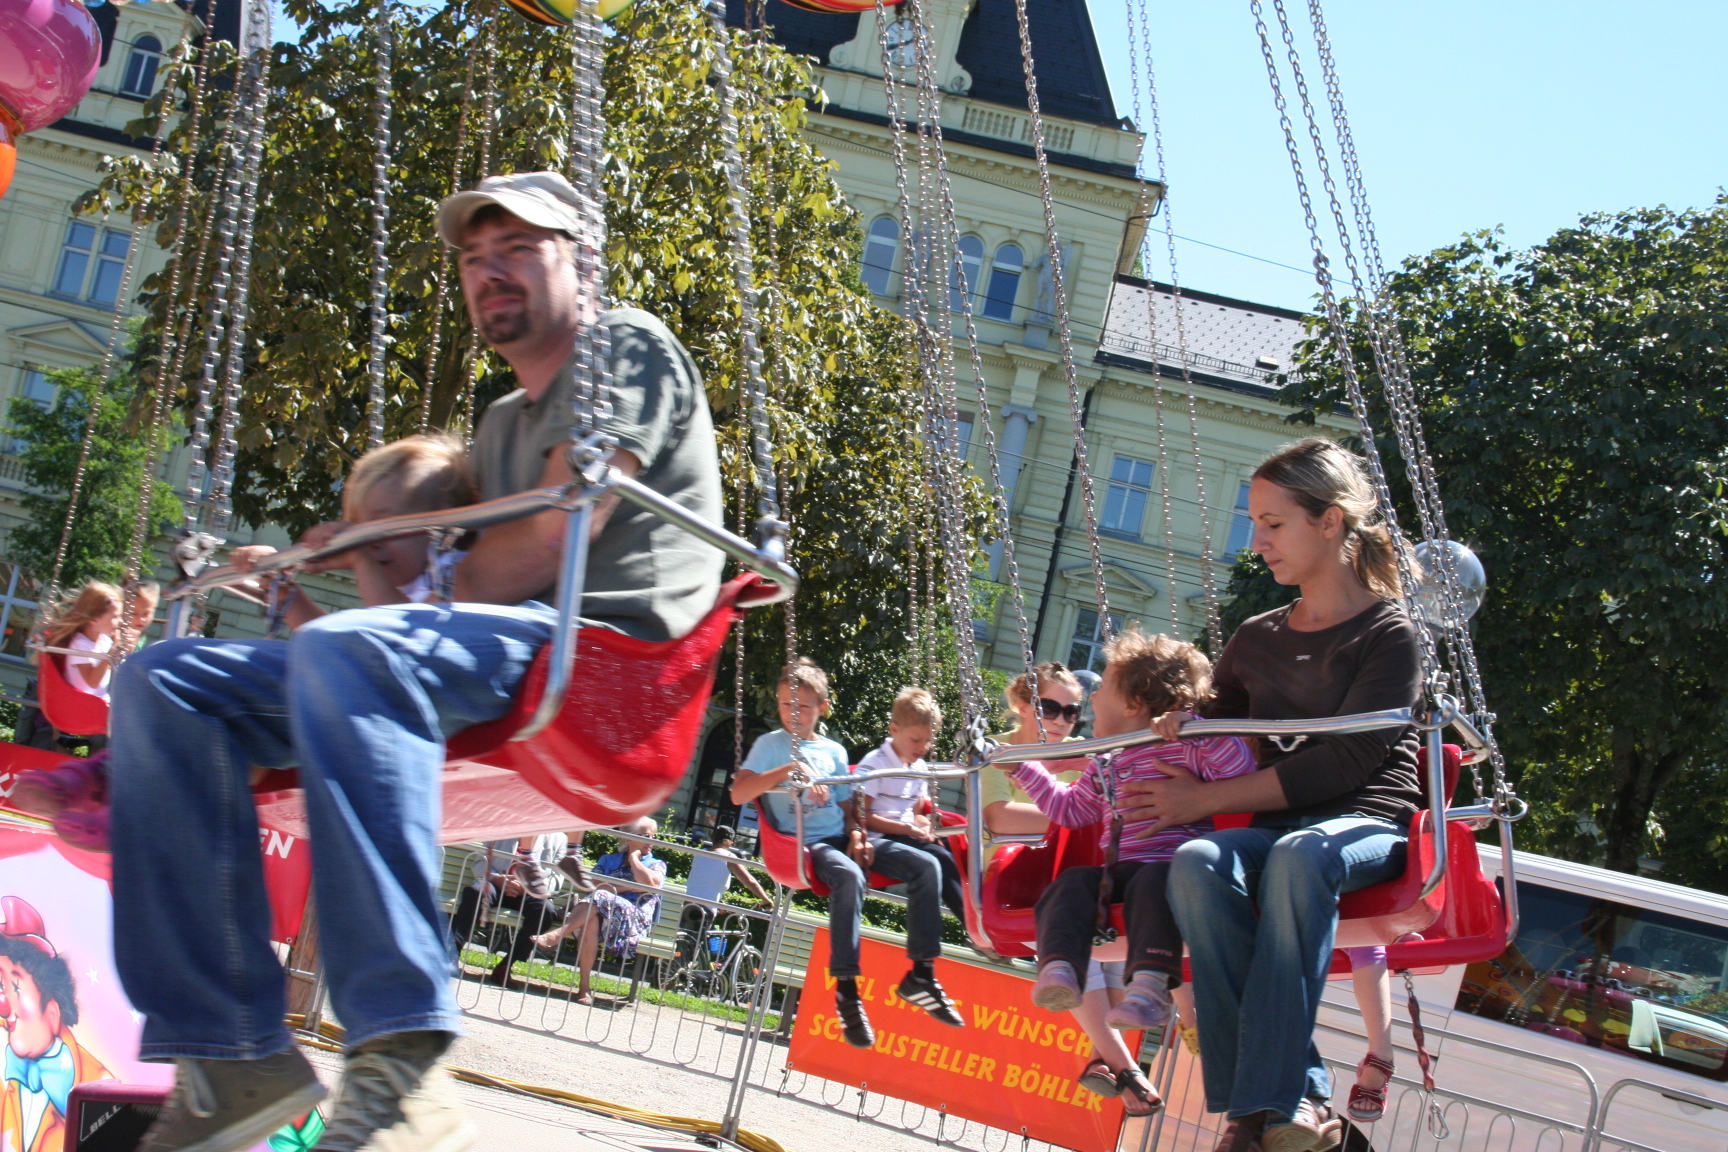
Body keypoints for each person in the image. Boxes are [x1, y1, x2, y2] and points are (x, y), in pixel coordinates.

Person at [100, 170, 723, 1152]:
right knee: (165, 684)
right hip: (501, 655)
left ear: (580, 262)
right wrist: (347, 558)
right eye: (474, 258)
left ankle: (402, 1059)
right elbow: (436, 593)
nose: (490, 272)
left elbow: (553, 536)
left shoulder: (626, 346)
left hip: (605, 656)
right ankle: (229, 1054)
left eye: (517, 248)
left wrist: (390, 572)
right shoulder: (502, 425)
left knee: (345, 651)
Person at [1132, 438, 1424, 1152]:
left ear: (1329, 522)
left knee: (1300, 855)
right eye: (1254, 523)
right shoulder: (1257, 636)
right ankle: (1280, 1102)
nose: (1257, 542)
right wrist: (1183, 720)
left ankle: (1261, 1110)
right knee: (1196, 863)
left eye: (1273, 523)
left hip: (1367, 822)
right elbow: (1217, 720)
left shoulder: (1389, 633)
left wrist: (1205, 800)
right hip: (1283, 829)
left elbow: (1347, 762)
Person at [729, 659, 962, 1049]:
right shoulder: (770, 746)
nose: (793, 713)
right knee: (849, 876)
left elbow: (846, 808)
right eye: (786, 704)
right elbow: (739, 793)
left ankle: (921, 973)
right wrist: (789, 768)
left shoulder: (834, 751)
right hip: (807, 846)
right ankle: (847, 993)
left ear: (822, 707)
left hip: (841, 837)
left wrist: (858, 833)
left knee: (926, 865)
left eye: (803, 706)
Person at [856, 687, 965, 922]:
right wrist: (906, 828)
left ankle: (976, 918)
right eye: (916, 740)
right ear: (894, 729)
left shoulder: (919, 767)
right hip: (876, 839)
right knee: (930, 863)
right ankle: (968, 923)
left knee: (951, 852)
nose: (922, 747)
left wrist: (924, 827)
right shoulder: (876, 763)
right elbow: (861, 815)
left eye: (928, 741)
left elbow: (917, 813)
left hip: (905, 835)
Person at [530, 817, 667, 1004]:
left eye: (653, 837)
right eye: (645, 836)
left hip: (633, 921)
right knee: (592, 921)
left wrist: (634, 859)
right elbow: (594, 885)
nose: (651, 841)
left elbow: (649, 885)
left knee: (600, 898)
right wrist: (629, 887)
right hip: (601, 914)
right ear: (628, 838)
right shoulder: (608, 860)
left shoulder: (657, 864)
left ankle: (556, 935)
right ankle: (584, 988)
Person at [449, 833, 569, 991]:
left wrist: (527, 887)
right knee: (476, 892)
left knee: (545, 911)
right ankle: (451, 955)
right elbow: (480, 860)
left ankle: (505, 967)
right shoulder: (505, 826)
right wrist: (496, 878)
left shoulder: (559, 838)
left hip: (530, 892)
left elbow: (555, 879)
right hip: (496, 883)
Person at [679, 824, 770, 947]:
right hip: (705, 909)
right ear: (730, 842)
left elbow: (704, 882)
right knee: (696, 946)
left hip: (688, 904)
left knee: (684, 943)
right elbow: (749, 881)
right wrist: (766, 899)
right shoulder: (728, 857)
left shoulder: (700, 853)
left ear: (713, 838)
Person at [40, 581, 123, 698]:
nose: (120, 622)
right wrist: (112, 652)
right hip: (80, 703)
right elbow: (92, 682)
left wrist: (125, 649)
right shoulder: (80, 644)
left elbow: (112, 668)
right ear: (94, 619)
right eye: (115, 617)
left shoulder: (104, 640)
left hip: (98, 701)